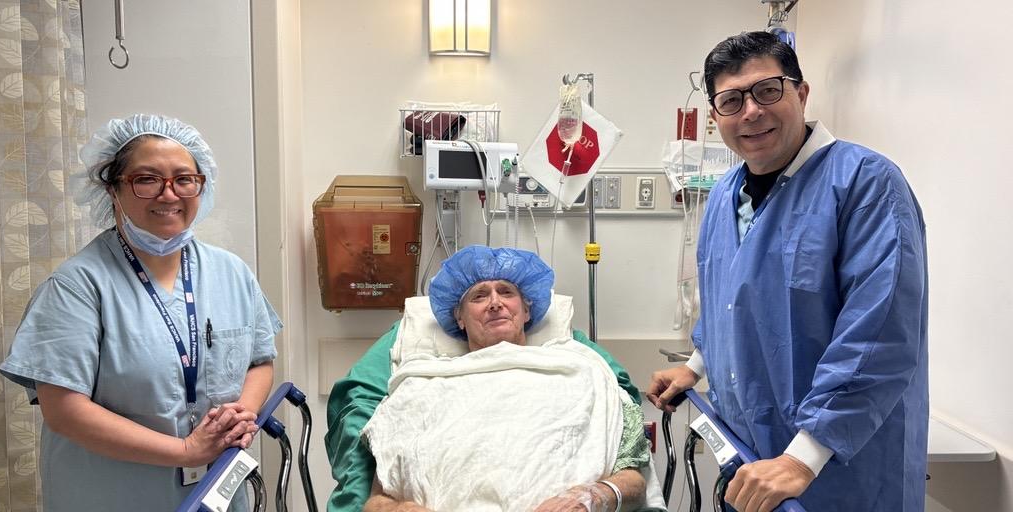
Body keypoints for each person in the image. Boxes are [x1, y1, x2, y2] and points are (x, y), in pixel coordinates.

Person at [647, 31, 929, 512]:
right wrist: (696, 367)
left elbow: (880, 334)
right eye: (732, 100)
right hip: (753, 460)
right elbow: (727, 304)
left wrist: (803, 457)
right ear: (716, 118)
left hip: (843, 466)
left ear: (801, 93)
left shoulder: (866, 183)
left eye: (767, 90)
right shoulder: (723, 197)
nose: (751, 111)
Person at [0, 114, 282, 511]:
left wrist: (241, 413)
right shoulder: (77, 287)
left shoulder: (230, 272)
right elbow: (64, 410)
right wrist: (185, 449)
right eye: (147, 180)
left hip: (214, 492)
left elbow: (259, 360)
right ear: (113, 189)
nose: (170, 195)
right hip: (113, 495)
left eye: (184, 179)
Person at [360, 245, 649, 511]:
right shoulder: (421, 384)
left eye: (506, 292)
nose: (495, 303)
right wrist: (402, 509)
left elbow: (634, 480)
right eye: (479, 296)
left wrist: (591, 497)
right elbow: (376, 499)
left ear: (526, 311)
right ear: (459, 318)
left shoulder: (583, 369)